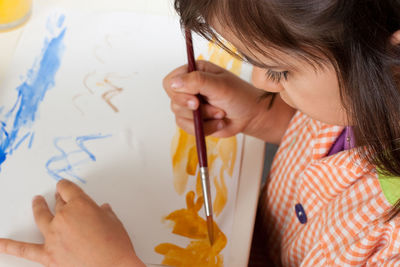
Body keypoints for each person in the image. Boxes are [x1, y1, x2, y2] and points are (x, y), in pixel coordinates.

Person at [1, 0, 400, 266]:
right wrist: (263, 117)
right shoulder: (366, 96)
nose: (261, 79)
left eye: (280, 70)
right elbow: (328, 148)